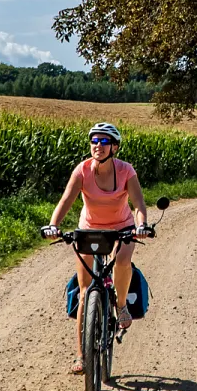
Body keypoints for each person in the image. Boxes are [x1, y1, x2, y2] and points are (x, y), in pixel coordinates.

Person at [44, 122, 153, 375]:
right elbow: (66, 200)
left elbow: (138, 204)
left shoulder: (126, 171)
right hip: (89, 228)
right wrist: (53, 225)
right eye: (94, 141)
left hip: (122, 227)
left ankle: (121, 305)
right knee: (85, 293)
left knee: (122, 261)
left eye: (105, 142)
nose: (98, 146)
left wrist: (141, 225)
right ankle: (81, 355)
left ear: (114, 147)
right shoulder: (82, 170)